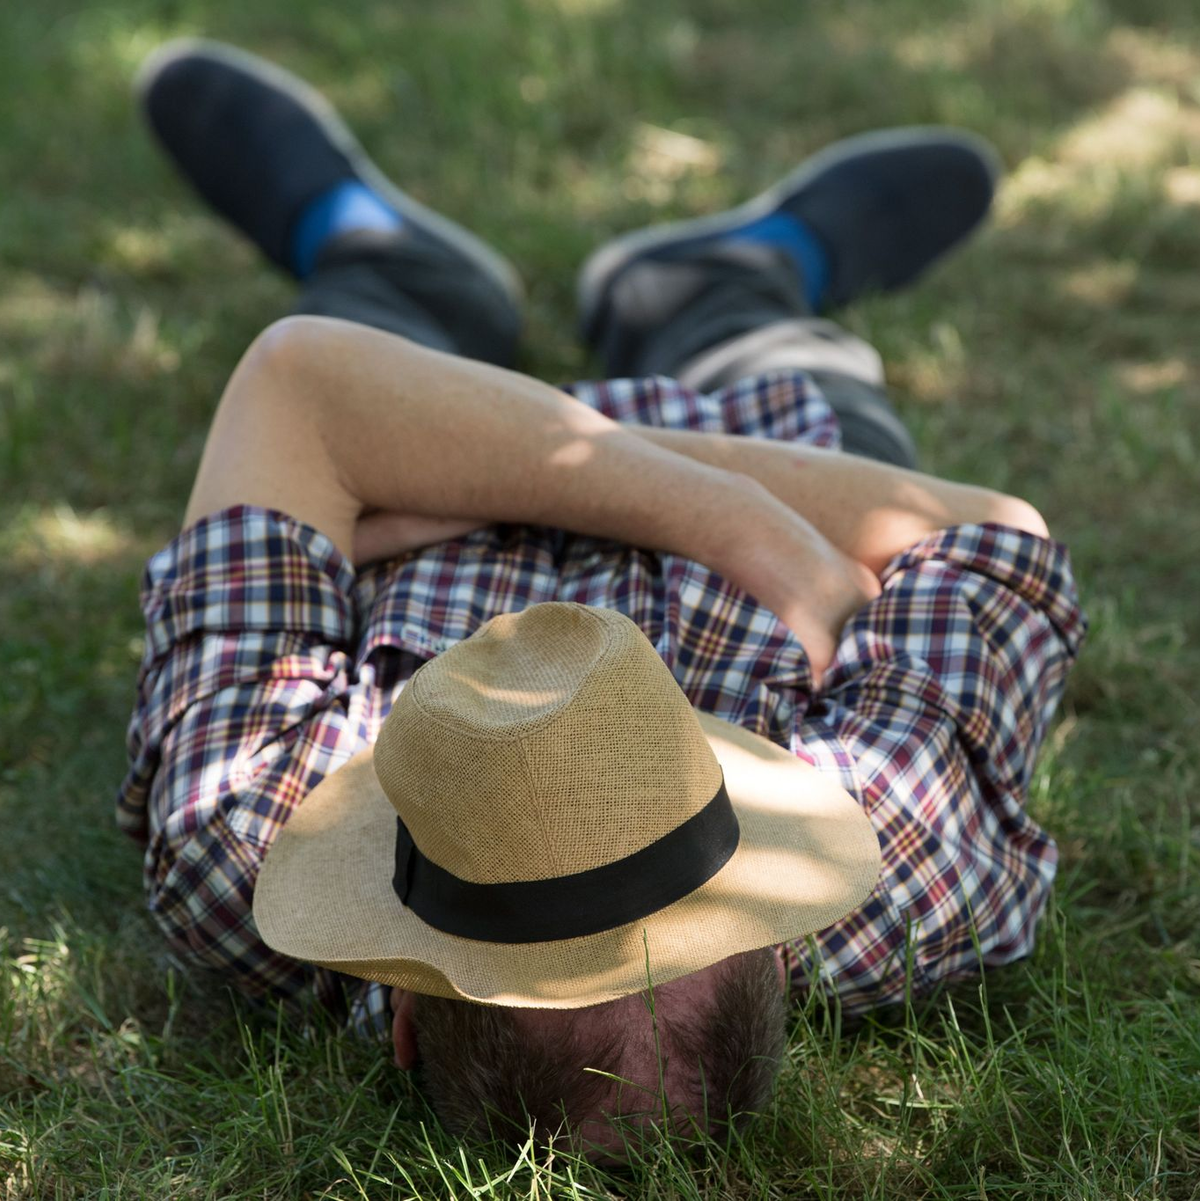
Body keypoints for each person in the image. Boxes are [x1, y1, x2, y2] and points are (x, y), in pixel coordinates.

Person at [116, 39, 1085, 1157]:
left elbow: (297, 382)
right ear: (786, 948)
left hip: (463, 459)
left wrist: (532, 458)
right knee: (793, 361)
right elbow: (986, 529)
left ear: (405, 1025)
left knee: (375, 306)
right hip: (743, 447)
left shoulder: (244, 839)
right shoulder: (900, 861)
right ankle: (735, 276)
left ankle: (375, 243)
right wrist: (722, 504)